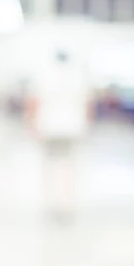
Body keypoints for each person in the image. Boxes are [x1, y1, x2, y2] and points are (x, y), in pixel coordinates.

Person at [31, 51, 92, 219]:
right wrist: (86, 125)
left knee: (50, 164)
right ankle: (67, 202)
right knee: (69, 165)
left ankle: (51, 201)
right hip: (72, 126)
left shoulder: (45, 75)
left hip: (50, 126)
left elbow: (35, 101)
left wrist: (33, 124)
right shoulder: (78, 76)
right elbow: (88, 104)